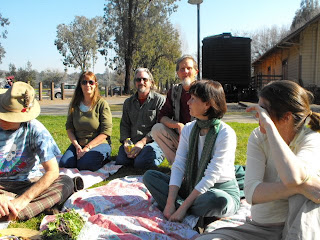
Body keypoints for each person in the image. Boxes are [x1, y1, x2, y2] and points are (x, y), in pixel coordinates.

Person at [197, 80, 320, 240]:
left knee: (304, 193)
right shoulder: (258, 137)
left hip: (298, 226)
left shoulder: (311, 139)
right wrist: (301, 187)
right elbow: (251, 193)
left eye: (263, 111)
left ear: (286, 117)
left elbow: (293, 177)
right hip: (262, 228)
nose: (258, 115)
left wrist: (269, 127)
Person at [144, 80, 240, 228]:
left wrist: (182, 209)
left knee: (217, 200)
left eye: (193, 99)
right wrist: (170, 203)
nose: (188, 102)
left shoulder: (225, 133)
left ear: (207, 104)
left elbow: (211, 176)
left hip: (218, 189)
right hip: (191, 185)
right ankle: (190, 209)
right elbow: (179, 165)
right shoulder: (189, 129)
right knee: (150, 177)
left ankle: (184, 207)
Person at [0, 82, 74, 221]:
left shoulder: (35, 129)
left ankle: (11, 210)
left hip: (27, 185)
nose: (3, 119)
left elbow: (52, 171)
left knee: (66, 182)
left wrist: (24, 199)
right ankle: (17, 211)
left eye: (8, 116)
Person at [59, 71, 112, 171]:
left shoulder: (102, 104)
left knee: (84, 165)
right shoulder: (74, 104)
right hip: (79, 143)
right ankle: (82, 157)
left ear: (95, 85)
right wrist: (76, 145)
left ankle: (105, 158)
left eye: (90, 82)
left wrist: (87, 147)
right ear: (80, 85)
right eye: (84, 82)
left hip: (99, 143)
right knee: (65, 163)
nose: (87, 85)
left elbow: (106, 132)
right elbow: (69, 128)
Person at [151, 55, 199, 164]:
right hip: (180, 138)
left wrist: (189, 131)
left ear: (196, 72)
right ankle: (178, 167)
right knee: (157, 129)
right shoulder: (174, 91)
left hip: (200, 139)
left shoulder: (204, 90)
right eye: (182, 69)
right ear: (177, 73)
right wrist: (178, 125)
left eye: (189, 68)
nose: (185, 71)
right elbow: (162, 117)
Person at [115, 68, 165, 169]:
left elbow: (160, 126)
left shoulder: (159, 100)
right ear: (135, 83)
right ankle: (138, 156)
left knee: (140, 163)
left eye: (144, 79)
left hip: (152, 142)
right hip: (133, 142)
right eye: (138, 80)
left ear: (151, 82)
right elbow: (124, 124)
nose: (141, 82)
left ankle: (159, 155)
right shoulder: (128, 103)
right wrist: (126, 142)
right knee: (121, 160)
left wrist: (142, 143)